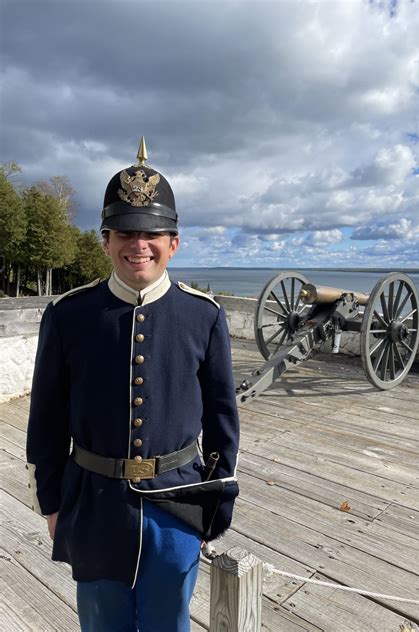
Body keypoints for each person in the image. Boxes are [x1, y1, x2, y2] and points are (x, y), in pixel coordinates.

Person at [26, 138, 240, 632]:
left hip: (177, 505)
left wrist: (211, 503)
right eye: (124, 230)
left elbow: (223, 418)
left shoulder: (202, 315)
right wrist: (52, 502)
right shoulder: (69, 315)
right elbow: (48, 418)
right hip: (95, 504)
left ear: (174, 242)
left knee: (170, 624)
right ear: (105, 239)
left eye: (153, 232)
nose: (137, 243)